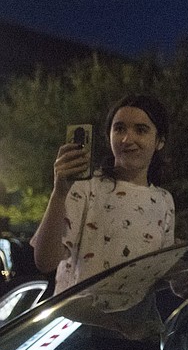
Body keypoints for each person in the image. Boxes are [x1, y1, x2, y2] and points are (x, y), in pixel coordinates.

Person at [31, 94, 175, 294]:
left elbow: (160, 273)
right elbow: (45, 261)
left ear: (159, 141)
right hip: (81, 320)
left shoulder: (164, 200)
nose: (127, 139)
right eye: (119, 129)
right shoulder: (85, 187)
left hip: (134, 323)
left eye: (141, 130)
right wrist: (59, 192)